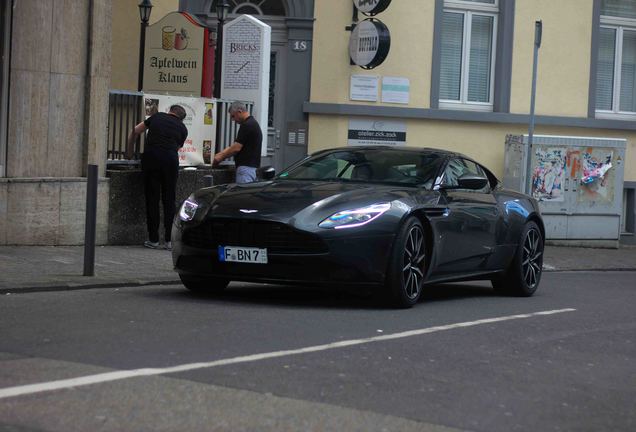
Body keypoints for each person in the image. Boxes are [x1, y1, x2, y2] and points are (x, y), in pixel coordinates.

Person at [126, 105, 188, 250]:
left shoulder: (157, 117)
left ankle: (153, 239)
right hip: (171, 160)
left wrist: (129, 151)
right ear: (181, 118)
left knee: (152, 198)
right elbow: (177, 147)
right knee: (169, 199)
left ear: (170, 111)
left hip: (151, 158)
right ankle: (169, 241)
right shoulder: (183, 129)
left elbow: (136, 130)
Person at [212, 101, 262, 183]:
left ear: (239, 111)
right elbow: (236, 145)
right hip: (253, 169)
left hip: (245, 170)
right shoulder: (253, 124)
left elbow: (236, 148)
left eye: (233, 116)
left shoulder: (247, 125)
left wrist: (220, 157)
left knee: (242, 194)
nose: (233, 120)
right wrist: (221, 154)